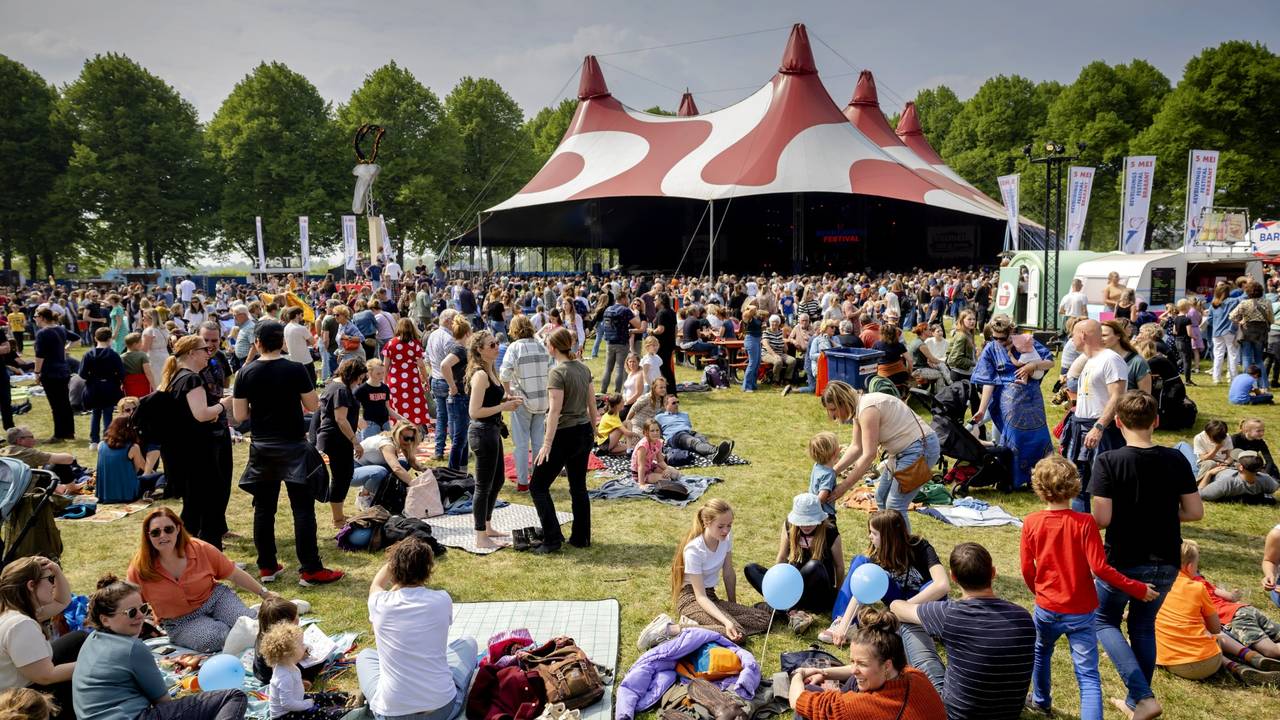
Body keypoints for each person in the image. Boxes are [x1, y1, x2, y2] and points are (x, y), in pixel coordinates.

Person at [1088, 391, 1203, 720]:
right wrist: (1161, 512)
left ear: (1119, 422)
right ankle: (1136, 702)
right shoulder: (1176, 459)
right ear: (1156, 421)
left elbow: (1103, 519)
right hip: (1166, 559)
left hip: (1123, 559)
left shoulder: (1109, 461)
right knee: (1142, 626)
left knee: (1103, 619)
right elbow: (1194, 511)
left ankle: (1142, 696)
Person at [1020, 455, 1158, 719]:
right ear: (1074, 485)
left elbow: (1028, 569)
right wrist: (1137, 588)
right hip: (1081, 611)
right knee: (1088, 676)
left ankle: (1040, 700)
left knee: (1041, 652)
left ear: (1039, 486)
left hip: (1046, 607)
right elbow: (1100, 569)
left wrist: (1038, 592)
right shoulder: (1084, 523)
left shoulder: (1031, 522)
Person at [234, 320, 343, 587]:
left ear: (257, 343)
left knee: (264, 509)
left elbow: (239, 416)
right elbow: (312, 404)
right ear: (282, 341)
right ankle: (310, 569)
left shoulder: (245, 372)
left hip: (263, 446)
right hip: (292, 444)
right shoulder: (294, 369)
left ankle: (267, 566)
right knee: (302, 509)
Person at [889, 542, 1035, 720]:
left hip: (952, 715)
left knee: (909, 623)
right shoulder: (1024, 618)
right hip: (1008, 713)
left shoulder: (950, 614)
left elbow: (897, 608)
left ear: (953, 577)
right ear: (993, 573)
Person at [72, 574, 249, 720]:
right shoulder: (132, 648)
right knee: (233, 696)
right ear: (105, 619)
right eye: (131, 612)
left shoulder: (91, 640)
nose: (140, 616)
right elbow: (163, 702)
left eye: (143, 608)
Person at [825, 510, 949, 691]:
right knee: (861, 562)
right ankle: (841, 621)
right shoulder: (877, 554)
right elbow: (863, 588)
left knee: (929, 584)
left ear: (889, 535)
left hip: (923, 604)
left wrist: (905, 608)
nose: (870, 537)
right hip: (897, 602)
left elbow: (942, 585)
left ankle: (926, 628)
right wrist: (844, 625)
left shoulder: (919, 546)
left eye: (874, 533)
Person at [355, 537, 478, 720]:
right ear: (428, 570)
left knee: (365, 655)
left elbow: (376, 585)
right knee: (468, 644)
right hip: (442, 709)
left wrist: (394, 562)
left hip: (391, 714)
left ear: (393, 569)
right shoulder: (442, 599)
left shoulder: (380, 602)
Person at [126, 508, 272, 653]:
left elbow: (233, 573)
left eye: (168, 529)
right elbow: (127, 603)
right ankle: (233, 625)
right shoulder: (140, 567)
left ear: (178, 529)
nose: (162, 535)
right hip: (181, 621)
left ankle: (246, 618)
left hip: (215, 599)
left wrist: (264, 593)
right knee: (216, 637)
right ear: (148, 536)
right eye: (155, 532)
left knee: (250, 626)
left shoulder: (199, 548)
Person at [638, 499, 777, 649]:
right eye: (721, 526)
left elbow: (728, 573)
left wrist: (733, 604)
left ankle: (702, 625)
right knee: (737, 633)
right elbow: (700, 596)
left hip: (711, 596)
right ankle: (672, 629)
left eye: (729, 525)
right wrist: (727, 621)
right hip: (691, 599)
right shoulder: (694, 550)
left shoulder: (726, 538)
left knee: (764, 619)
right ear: (706, 522)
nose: (726, 530)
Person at [1153, 542, 1280, 685]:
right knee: (1212, 635)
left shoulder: (1155, 587)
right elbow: (1215, 629)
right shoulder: (1198, 587)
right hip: (1209, 660)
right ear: (1189, 567)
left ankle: (1235, 667)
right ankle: (1251, 656)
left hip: (1173, 663)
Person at [789, 606, 946, 720]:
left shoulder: (860, 707)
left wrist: (799, 674)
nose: (854, 669)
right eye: (852, 661)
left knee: (808, 691)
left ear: (887, 665)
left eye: (862, 664)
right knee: (855, 680)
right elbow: (856, 671)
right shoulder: (916, 676)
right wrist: (823, 673)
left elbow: (798, 701)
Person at [822, 381, 938, 530]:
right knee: (881, 498)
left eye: (833, 409)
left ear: (842, 402)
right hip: (901, 453)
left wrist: (843, 487)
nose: (832, 416)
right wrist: (831, 472)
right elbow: (856, 447)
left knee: (895, 506)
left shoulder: (867, 409)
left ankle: (903, 551)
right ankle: (887, 546)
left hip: (920, 448)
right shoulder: (860, 407)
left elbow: (869, 455)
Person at [529, 327, 596, 554]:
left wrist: (546, 444)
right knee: (578, 487)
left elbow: (554, 411)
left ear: (553, 347)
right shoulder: (583, 369)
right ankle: (581, 537)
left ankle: (552, 538)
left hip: (565, 434)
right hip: (583, 432)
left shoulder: (557, 372)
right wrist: (594, 430)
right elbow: (592, 405)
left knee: (537, 486)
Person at [158, 334, 230, 546]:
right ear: (191, 353)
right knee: (206, 507)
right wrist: (224, 404)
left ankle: (186, 553)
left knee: (194, 508)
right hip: (199, 453)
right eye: (204, 349)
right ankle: (210, 558)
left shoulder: (175, 377)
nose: (209, 353)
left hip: (184, 452)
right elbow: (201, 414)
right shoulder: (191, 379)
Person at [971, 315, 1054, 489]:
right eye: (994, 337)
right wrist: (981, 409)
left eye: (1002, 338)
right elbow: (988, 381)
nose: (998, 341)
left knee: (1039, 438)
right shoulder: (990, 349)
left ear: (1011, 332)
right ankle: (1011, 479)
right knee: (1014, 440)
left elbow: (1050, 362)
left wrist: (1033, 366)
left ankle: (1041, 479)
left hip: (1033, 399)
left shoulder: (1025, 341)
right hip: (1009, 403)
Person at [0, 557, 84, 718]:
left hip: (24, 682)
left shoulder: (12, 610)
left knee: (77, 639)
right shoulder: (20, 625)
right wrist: (96, 662)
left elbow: (63, 601)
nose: (54, 584)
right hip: (17, 700)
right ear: (31, 585)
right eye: (50, 579)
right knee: (82, 677)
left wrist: (56, 571)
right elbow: (46, 676)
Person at [744, 494, 844, 623]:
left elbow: (839, 566)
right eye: (801, 522)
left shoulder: (830, 530)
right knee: (751, 569)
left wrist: (840, 597)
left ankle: (782, 609)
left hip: (817, 591)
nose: (805, 526)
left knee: (814, 566)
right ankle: (787, 609)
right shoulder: (789, 526)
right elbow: (782, 556)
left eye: (810, 521)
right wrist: (775, 584)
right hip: (792, 588)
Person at [1063, 319, 1128, 512]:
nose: (1071, 339)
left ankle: (1115, 526)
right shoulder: (1090, 360)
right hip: (1082, 427)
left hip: (1102, 429)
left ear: (1083, 335)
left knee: (1105, 483)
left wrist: (1099, 427)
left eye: (1073, 334)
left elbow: (1118, 396)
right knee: (1078, 482)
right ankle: (1082, 528)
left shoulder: (1111, 359)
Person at [468, 330, 523, 551]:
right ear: (479, 350)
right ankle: (480, 535)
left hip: (491, 431)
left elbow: (491, 397)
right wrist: (504, 406)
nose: (496, 346)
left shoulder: (491, 370)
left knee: (498, 480)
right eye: (491, 344)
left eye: (497, 343)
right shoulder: (480, 375)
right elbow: (474, 411)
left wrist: (506, 398)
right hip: (482, 433)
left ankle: (487, 526)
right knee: (483, 486)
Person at [1181, 539, 1280, 661]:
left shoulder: (1182, 589)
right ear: (1190, 567)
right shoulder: (1202, 581)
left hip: (1232, 618)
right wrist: (1234, 595)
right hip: (1244, 609)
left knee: (1271, 650)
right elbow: (1231, 597)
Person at [314, 358, 367, 528]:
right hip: (337, 438)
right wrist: (355, 441)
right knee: (341, 477)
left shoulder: (333, 385)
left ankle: (339, 514)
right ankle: (338, 519)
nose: (360, 382)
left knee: (342, 475)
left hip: (333, 437)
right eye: (360, 378)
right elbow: (340, 419)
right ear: (353, 375)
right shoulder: (341, 390)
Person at [260, 623, 347, 719]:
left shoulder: (287, 665)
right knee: (319, 714)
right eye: (302, 644)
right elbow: (287, 704)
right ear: (289, 653)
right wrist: (306, 705)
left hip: (296, 702)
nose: (305, 646)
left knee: (321, 697)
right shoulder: (284, 677)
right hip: (285, 715)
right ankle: (344, 714)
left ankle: (346, 698)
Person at [352, 422, 427, 511]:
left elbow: (412, 461)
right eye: (407, 438)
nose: (409, 441)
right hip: (350, 471)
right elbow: (396, 468)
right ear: (397, 434)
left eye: (412, 438)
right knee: (380, 472)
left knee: (404, 463)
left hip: (368, 467)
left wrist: (426, 471)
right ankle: (363, 497)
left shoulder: (399, 442)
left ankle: (375, 490)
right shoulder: (387, 445)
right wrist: (414, 485)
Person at [94, 417, 160, 504]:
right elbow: (141, 468)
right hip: (128, 494)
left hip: (105, 494)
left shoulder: (100, 445)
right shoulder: (133, 447)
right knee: (161, 476)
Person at [381, 318, 431, 431]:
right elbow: (421, 365)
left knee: (397, 408)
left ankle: (397, 433)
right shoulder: (415, 344)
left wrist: (384, 382)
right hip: (411, 381)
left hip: (394, 381)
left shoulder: (390, 343)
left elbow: (386, 365)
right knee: (415, 408)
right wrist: (425, 379)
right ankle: (414, 434)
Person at [80, 327, 125, 451]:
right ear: (110, 339)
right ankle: (107, 438)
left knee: (95, 413)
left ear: (95, 338)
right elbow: (121, 373)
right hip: (109, 386)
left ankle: (94, 440)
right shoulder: (114, 355)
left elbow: (82, 374)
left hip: (94, 387)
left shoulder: (88, 354)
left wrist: (92, 378)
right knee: (108, 413)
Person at [33, 308, 74, 441]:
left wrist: (37, 373)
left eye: (36, 316)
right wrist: (65, 348)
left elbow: (39, 356)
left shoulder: (42, 333)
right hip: (63, 370)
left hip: (50, 372)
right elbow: (76, 338)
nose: (34, 319)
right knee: (65, 403)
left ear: (43, 317)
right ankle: (69, 432)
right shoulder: (60, 329)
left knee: (56, 405)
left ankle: (59, 434)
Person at [654, 394, 733, 464]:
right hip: (675, 436)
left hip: (688, 432)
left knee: (702, 440)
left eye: (678, 402)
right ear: (665, 405)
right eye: (673, 403)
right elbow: (654, 430)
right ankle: (716, 450)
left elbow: (688, 426)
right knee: (693, 442)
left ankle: (713, 457)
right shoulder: (659, 417)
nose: (677, 405)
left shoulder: (684, 414)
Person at [439, 318, 472, 471]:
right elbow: (444, 365)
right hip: (459, 397)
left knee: (461, 438)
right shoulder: (459, 349)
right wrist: (452, 386)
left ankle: (462, 472)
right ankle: (453, 473)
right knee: (459, 439)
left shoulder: (456, 346)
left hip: (458, 397)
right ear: (468, 333)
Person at [1197, 449, 1278, 501]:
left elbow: (1201, 494)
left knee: (1186, 448)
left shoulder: (1228, 482)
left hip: (1205, 471)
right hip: (1225, 468)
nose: (1235, 462)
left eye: (1237, 461)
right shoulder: (1265, 479)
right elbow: (1274, 487)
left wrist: (1209, 473)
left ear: (1241, 467)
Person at [354, 360, 402, 440]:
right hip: (370, 424)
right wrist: (359, 420)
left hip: (385, 423)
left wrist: (403, 419)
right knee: (370, 449)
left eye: (383, 373)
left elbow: (388, 408)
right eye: (378, 374)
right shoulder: (362, 389)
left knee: (388, 446)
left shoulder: (385, 388)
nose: (381, 376)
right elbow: (353, 408)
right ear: (369, 373)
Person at [631, 419, 680, 486]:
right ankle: (648, 479)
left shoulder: (658, 442)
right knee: (667, 480)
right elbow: (640, 466)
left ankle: (656, 475)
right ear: (646, 433)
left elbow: (660, 461)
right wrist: (641, 484)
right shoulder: (643, 446)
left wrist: (667, 469)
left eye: (657, 430)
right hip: (640, 473)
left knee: (675, 474)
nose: (655, 433)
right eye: (652, 431)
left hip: (651, 467)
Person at [1209, 281, 1240, 383]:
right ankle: (1233, 377)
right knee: (1233, 354)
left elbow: (1209, 319)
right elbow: (1244, 295)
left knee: (1218, 355)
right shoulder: (1233, 301)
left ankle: (1216, 378)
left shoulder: (1213, 304)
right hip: (1229, 331)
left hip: (1216, 332)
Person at [652, 294, 679, 394]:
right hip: (670, 344)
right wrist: (673, 340)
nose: (654, 301)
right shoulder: (672, 312)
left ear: (661, 301)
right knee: (666, 368)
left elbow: (660, 329)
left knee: (664, 368)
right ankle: (670, 390)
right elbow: (675, 329)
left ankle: (670, 391)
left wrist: (651, 331)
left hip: (662, 345)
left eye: (655, 299)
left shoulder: (661, 313)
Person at [140, 310, 170, 383]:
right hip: (165, 356)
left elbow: (144, 349)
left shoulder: (149, 331)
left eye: (144, 317)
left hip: (154, 359)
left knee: (157, 382)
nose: (143, 319)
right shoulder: (164, 329)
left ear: (150, 318)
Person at [120, 333, 154, 398]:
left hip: (128, 384)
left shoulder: (121, 357)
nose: (142, 344)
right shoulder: (142, 355)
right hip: (142, 384)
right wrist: (154, 387)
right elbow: (148, 372)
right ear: (135, 344)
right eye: (140, 342)